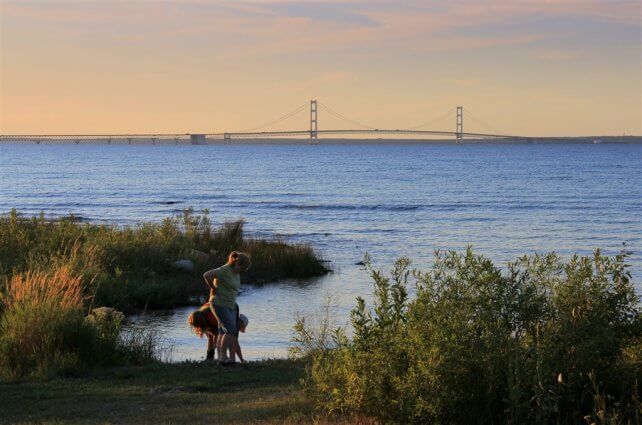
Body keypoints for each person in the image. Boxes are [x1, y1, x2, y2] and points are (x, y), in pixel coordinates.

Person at [203, 251, 251, 365]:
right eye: (243, 268)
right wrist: (213, 288)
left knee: (222, 331)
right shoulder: (224, 270)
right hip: (219, 304)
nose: (243, 271)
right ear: (237, 263)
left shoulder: (236, 273)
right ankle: (223, 358)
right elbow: (206, 275)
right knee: (231, 330)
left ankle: (221, 358)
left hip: (230, 305)